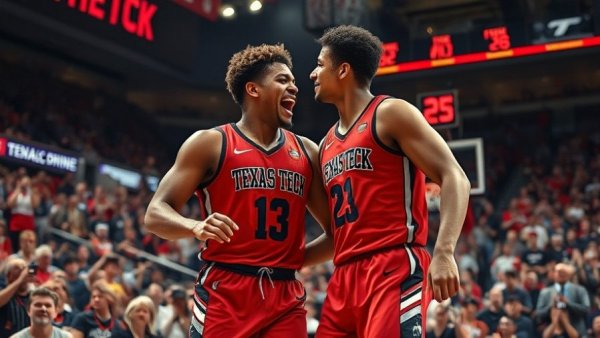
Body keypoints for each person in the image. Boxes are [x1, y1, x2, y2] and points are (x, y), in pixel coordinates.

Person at [144, 43, 331, 338]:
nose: (294, 88)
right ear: (253, 90)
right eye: (283, 80)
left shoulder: (308, 151)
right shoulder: (210, 143)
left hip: (285, 294)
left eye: (294, 82)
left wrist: (290, 259)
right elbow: (155, 214)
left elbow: (336, 233)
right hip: (226, 289)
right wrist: (195, 226)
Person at [310, 25, 471, 337]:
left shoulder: (390, 112)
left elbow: (455, 177)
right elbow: (336, 235)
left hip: (392, 266)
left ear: (343, 70)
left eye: (319, 64)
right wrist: (282, 261)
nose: (312, 74)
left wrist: (444, 251)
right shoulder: (325, 144)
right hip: (343, 276)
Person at [0, 257, 37, 337]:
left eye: (24, 268)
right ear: (8, 275)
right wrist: (20, 280)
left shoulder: (33, 295)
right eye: (17, 268)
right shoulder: (3, 291)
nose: (22, 271)